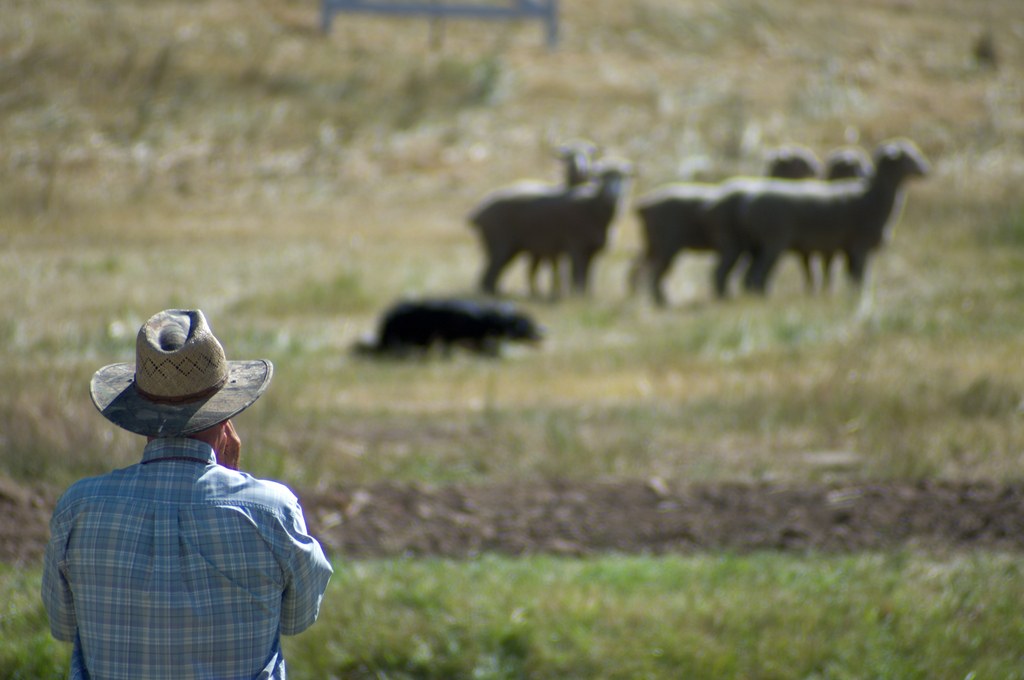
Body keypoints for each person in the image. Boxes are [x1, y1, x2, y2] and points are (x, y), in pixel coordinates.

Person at [42, 309, 333, 680]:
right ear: (224, 417)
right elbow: (297, 618)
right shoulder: (271, 510)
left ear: (140, 413)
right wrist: (234, 479)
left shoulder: (78, 508)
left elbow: (63, 624)